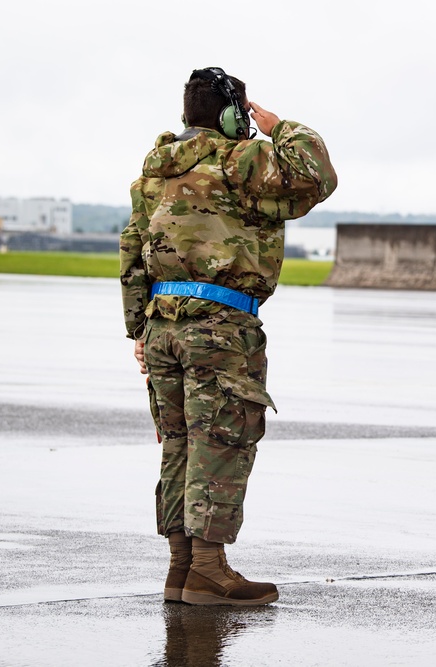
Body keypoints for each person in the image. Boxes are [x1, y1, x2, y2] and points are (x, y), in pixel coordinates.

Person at [119, 67, 337, 606]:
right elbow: (316, 176)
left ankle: (181, 570)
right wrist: (281, 126)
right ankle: (210, 571)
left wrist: (139, 332)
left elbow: (132, 250)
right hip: (219, 326)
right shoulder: (241, 161)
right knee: (221, 442)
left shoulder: (154, 174)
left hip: (164, 324)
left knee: (180, 444)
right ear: (231, 115)